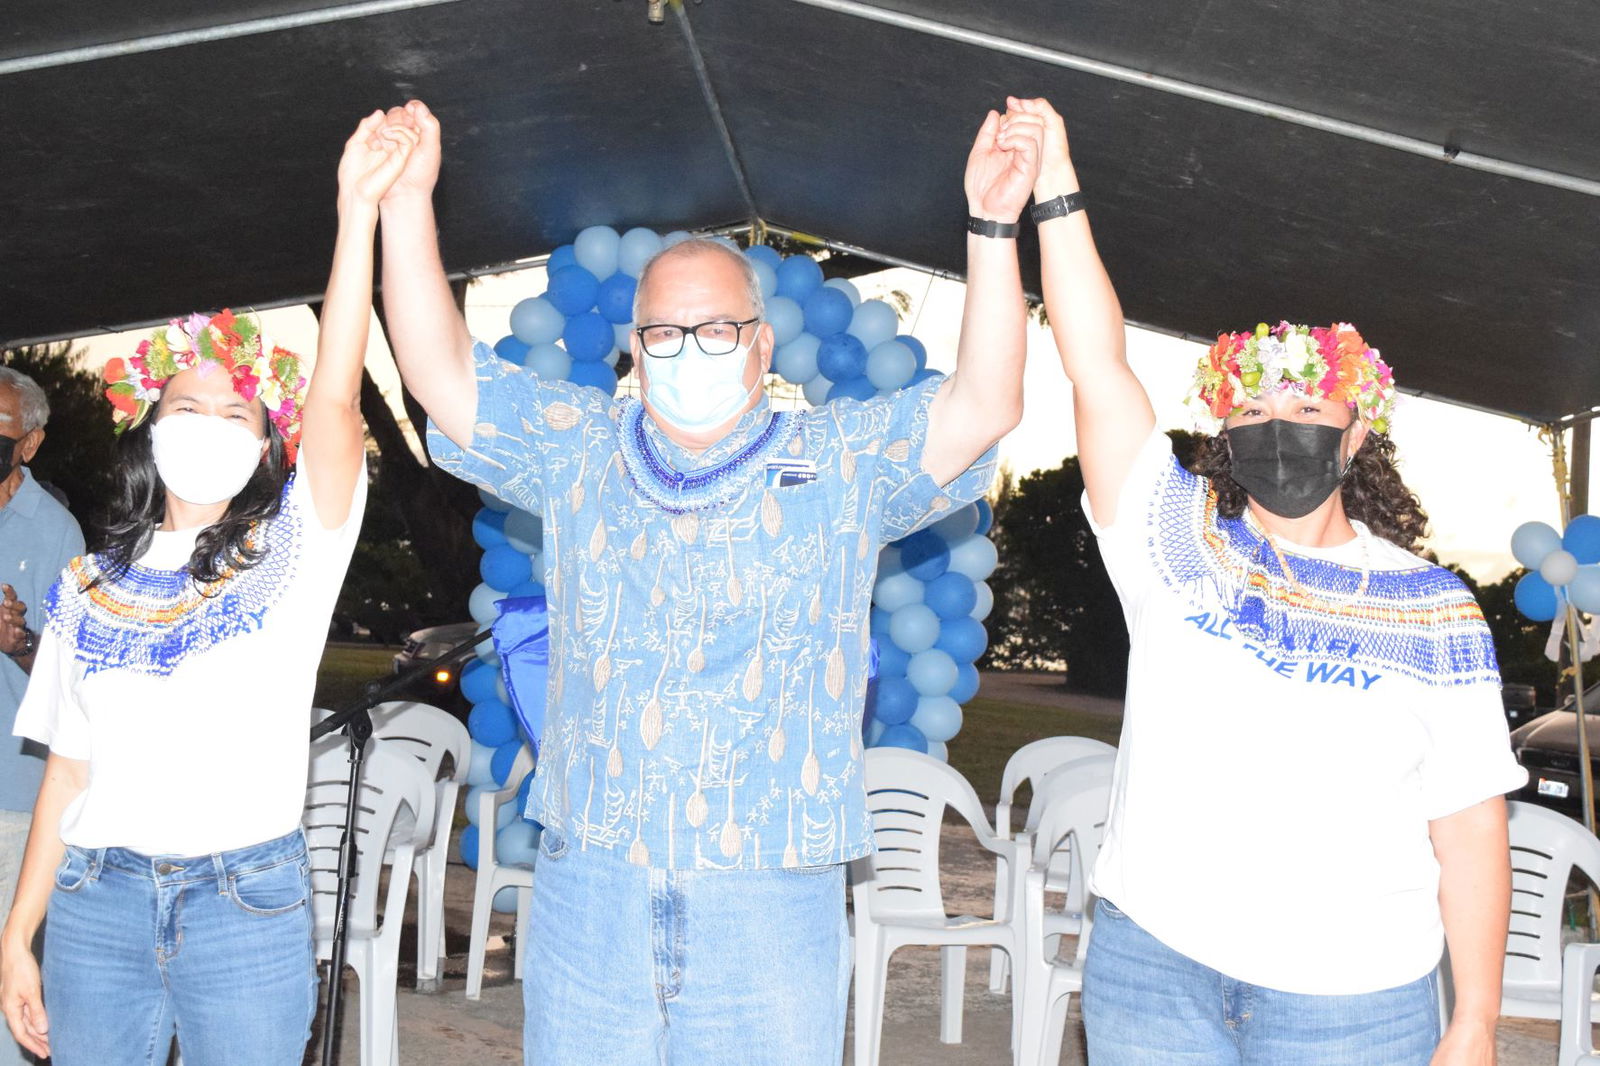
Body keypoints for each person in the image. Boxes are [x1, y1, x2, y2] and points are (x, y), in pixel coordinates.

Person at [374, 97, 1038, 1062]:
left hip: (768, 894)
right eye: (665, 334)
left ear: (762, 344)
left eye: (717, 329)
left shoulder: (841, 459)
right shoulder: (579, 447)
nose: (689, 351)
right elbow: (439, 374)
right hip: (591, 883)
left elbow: (986, 402)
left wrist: (990, 226)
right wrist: (405, 205)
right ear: (635, 351)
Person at [1023, 95, 1526, 1064]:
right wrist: (1055, 190)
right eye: (1249, 404)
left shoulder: (1433, 608)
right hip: (1154, 970)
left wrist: (1474, 1019)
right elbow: (1096, 366)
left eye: (1303, 401)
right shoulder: (1172, 540)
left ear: (1357, 429)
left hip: (1353, 1003)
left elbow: (1469, 822)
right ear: (1220, 428)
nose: (1274, 424)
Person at [0, 111, 413, 1065]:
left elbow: (340, 399)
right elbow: (68, 769)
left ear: (268, 444)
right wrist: (18, 936)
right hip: (95, 903)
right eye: (190, 406)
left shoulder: (292, 555)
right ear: (149, 428)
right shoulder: (85, 585)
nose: (213, 423)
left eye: (239, 413)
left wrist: (356, 214)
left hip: (245, 905)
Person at [0, 367, 85, 1066]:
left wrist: (19, 641)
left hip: (14, 797)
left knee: (10, 976)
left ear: (29, 444)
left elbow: (79, 685)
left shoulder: (56, 533)